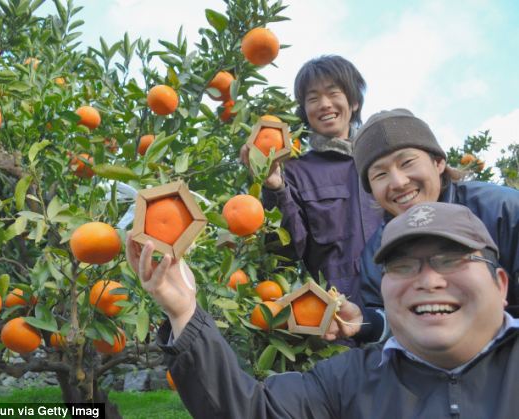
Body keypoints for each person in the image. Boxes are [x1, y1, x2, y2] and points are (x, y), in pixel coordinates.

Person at [126, 202, 519, 418]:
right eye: (403, 266)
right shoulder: (347, 382)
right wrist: (183, 312)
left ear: (500, 284)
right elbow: (251, 412)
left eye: (450, 259)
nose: (428, 280)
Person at [351, 108, 519, 342]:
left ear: (438, 162)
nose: (398, 182)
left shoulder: (504, 210)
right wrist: (364, 322)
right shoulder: (375, 252)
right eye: (380, 175)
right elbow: (390, 320)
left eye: (407, 162)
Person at [240, 55, 382, 307]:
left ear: (354, 101)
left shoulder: (382, 160)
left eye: (333, 93)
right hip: (338, 314)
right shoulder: (294, 172)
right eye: (313, 98)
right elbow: (286, 251)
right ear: (305, 111)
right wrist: (275, 187)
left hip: (403, 303)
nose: (325, 104)